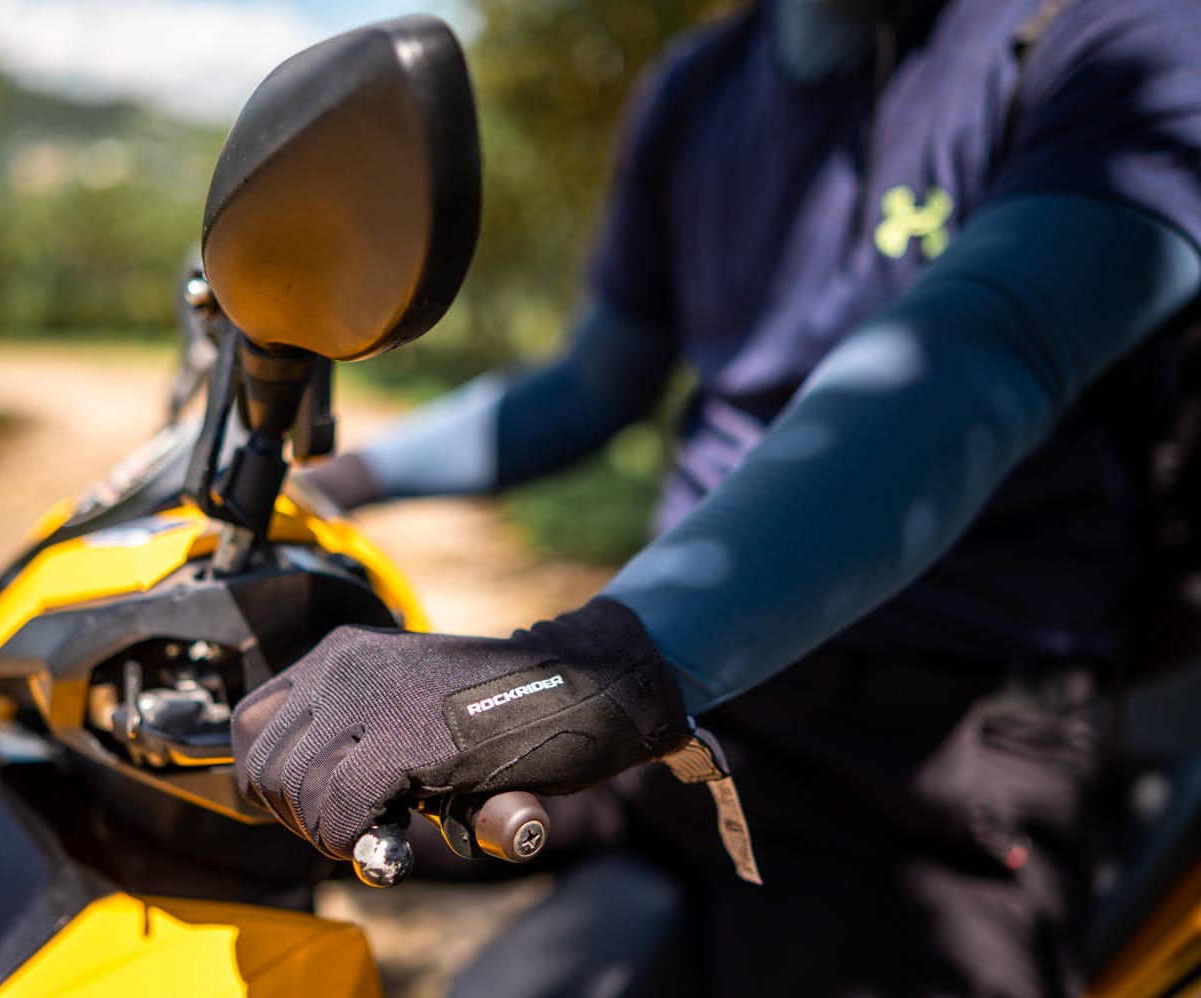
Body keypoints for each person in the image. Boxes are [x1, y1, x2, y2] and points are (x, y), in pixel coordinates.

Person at [231, 0, 1201, 993]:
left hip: (930, 741)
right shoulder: (700, 89)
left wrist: (601, 664)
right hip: (702, 709)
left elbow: (995, 343)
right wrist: (337, 479)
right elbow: (594, 383)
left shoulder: (1117, 34)